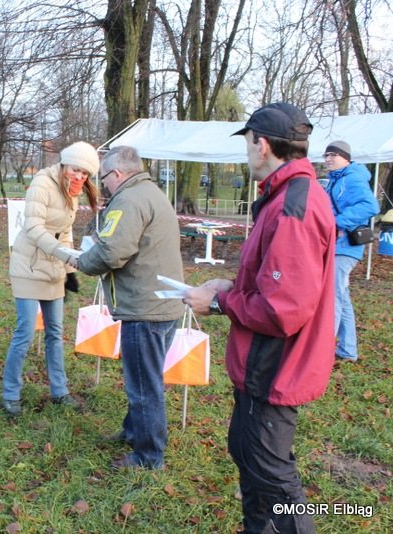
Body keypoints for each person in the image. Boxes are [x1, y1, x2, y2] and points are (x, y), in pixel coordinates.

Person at [184, 103, 335, 533]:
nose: (247, 152)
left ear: (262, 143)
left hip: (274, 368)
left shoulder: (294, 206)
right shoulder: (283, 198)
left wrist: (216, 304)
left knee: (275, 480)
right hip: (262, 366)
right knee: (250, 457)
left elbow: (282, 310)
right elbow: (277, 283)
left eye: (248, 143)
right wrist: (229, 287)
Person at [70, 146, 184, 469]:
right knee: (147, 378)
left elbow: (111, 251)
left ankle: (149, 457)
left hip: (144, 308)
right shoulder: (151, 192)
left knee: (144, 387)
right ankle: (135, 430)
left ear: (117, 174)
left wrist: (81, 261)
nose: (103, 184)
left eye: (103, 177)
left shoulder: (128, 200)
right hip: (162, 304)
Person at [1, 141, 100, 416]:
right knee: (24, 333)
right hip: (28, 266)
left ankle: (60, 391)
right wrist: (61, 253)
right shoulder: (42, 184)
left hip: (54, 269)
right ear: (66, 163)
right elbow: (32, 228)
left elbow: (65, 231)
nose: (80, 177)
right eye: (76, 170)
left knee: (55, 333)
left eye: (85, 174)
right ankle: (11, 394)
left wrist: (69, 272)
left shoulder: (73, 191)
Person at [323, 140, 380, 362]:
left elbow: (370, 206)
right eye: (326, 155)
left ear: (345, 157)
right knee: (342, 297)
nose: (328, 159)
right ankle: (347, 351)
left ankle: (324, 351)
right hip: (339, 247)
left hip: (346, 248)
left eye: (333, 155)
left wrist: (338, 224)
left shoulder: (352, 178)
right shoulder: (336, 179)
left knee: (333, 296)